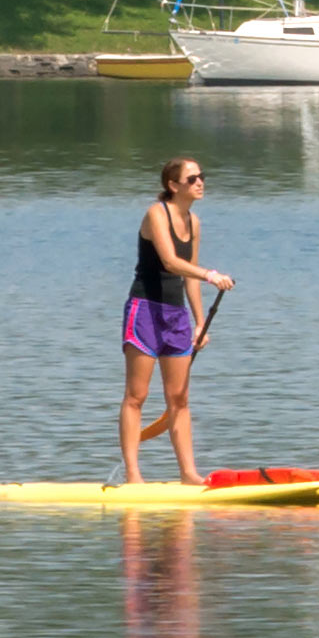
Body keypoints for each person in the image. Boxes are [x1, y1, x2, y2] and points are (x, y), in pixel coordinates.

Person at [113, 157, 232, 485]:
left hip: (175, 315)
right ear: (173, 185)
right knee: (136, 395)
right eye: (192, 178)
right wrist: (211, 274)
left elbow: (188, 279)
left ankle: (188, 474)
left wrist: (199, 323)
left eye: (202, 177)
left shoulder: (194, 222)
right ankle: (133, 475)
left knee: (179, 399)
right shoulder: (156, 214)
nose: (200, 182)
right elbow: (170, 262)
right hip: (145, 311)